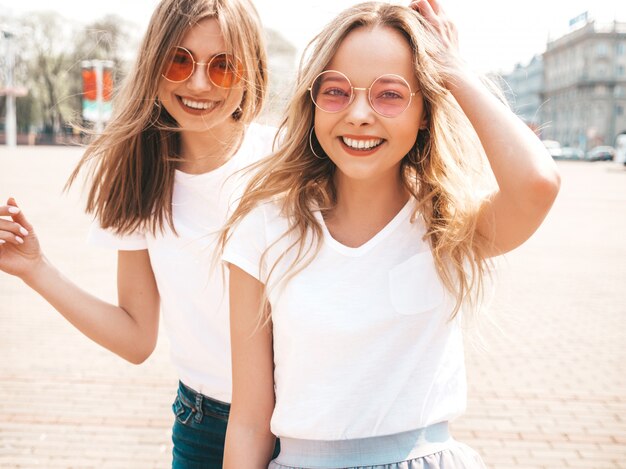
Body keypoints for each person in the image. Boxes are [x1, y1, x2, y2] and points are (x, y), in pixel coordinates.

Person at [220, 1, 561, 467]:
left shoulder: (447, 225)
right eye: (337, 91)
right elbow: (249, 422)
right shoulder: (264, 227)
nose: (359, 114)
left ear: (425, 111)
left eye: (391, 94)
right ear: (313, 102)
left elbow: (537, 183)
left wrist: (453, 70)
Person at [0, 0, 279, 466]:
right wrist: (35, 268)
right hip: (205, 424)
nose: (197, 83)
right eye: (179, 59)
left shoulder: (285, 162)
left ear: (252, 71)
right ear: (153, 61)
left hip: (306, 421)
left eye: (223, 66)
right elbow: (135, 338)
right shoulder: (136, 175)